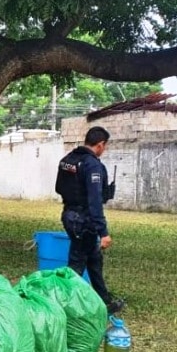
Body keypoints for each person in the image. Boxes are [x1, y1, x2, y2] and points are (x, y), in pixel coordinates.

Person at [54, 126, 125, 315]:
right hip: (83, 220)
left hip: (69, 214)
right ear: (100, 144)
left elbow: (59, 188)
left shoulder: (67, 160)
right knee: (77, 263)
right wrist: (104, 232)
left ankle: (104, 301)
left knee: (94, 259)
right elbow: (94, 201)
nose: (104, 149)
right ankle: (61, 304)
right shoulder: (92, 164)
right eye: (105, 146)